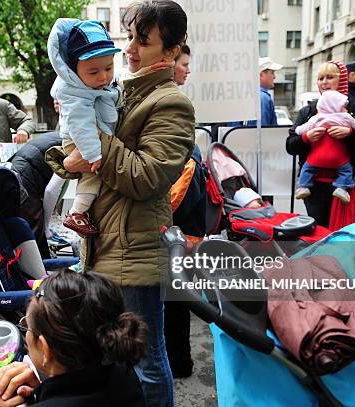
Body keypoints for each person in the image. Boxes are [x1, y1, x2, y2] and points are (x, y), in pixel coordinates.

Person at [52, 2, 195, 406]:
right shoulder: (120, 91)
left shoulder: (171, 103)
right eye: (130, 37)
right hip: (108, 246)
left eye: (142, 40)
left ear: (170, 52)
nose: (130, 48)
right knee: (119, 359)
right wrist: (66, 157)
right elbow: (77, 158)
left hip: (137, 253)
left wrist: (93, 142)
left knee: (148, 361)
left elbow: (146, 177)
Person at [0, 270, 148, 407]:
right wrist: (42, 393)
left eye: (26, 326)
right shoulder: (123, 372)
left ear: (45, 349)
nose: (26, 334)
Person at [48, 19, 121, 238]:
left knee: (91, 176)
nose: (103, 77)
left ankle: (78, 212)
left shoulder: (93, 85)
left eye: (109, 68)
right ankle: (77, 212)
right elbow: (81, 125)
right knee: (93, 176)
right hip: (80, 141)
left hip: (88, 139)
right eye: (93, 72)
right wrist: (93, 153)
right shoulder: (74, 93)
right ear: (72, 70)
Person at [286, 60, 355, 228]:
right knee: (320, 233)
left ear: (341, 80)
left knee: (344, 234)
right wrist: (306, 137)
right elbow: (290, 145)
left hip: (346, 184)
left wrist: (350, 134)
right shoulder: (308, 111)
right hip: (313, 186)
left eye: (329, 77)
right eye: (321, 78)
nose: (324, 82)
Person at [164, 42, 194, 379]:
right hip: (180, 216)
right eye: (183, 63)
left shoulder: (174, 104)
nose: (186, 69)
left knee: (174, 293)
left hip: (175, 216)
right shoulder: (172, 101)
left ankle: (180, 362)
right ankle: (180, 362)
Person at [294, 90, 355, 204]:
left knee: (307, 168)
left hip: (316, 156)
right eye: (343, 107)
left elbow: (300, 130)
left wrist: (303, 133)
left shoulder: (316, 118)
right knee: (346, 170)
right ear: (335, 106)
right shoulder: (345, 117)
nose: (346, 109)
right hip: (338, 157)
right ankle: (342, 187)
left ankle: (303, 186)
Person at [10, 132, 62, 258]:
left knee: (24, 235)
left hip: (15, 174)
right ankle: (39, 275)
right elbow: (51, 191)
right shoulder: (74, 147)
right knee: (34, 241)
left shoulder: (62, 136)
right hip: (26, 181)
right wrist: (45, 227)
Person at [229, 57, 281, 126]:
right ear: (261, 75)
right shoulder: (262, 98)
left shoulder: (242, 94)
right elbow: (263, 131)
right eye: (272, 73)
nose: (274, 77)